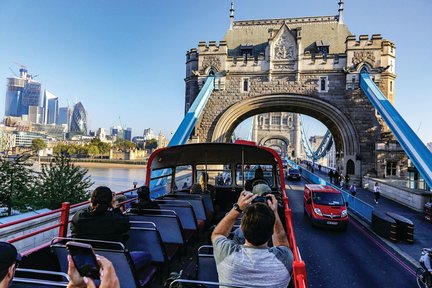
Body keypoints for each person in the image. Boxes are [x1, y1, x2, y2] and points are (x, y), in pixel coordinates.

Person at [211, 191, 293, 287]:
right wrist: (274, 212)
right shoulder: (284, 259)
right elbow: (283, 244)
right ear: (272, 232)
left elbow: (217, 233)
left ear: (241, 228)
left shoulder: (226, 253)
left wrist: (237, 208)